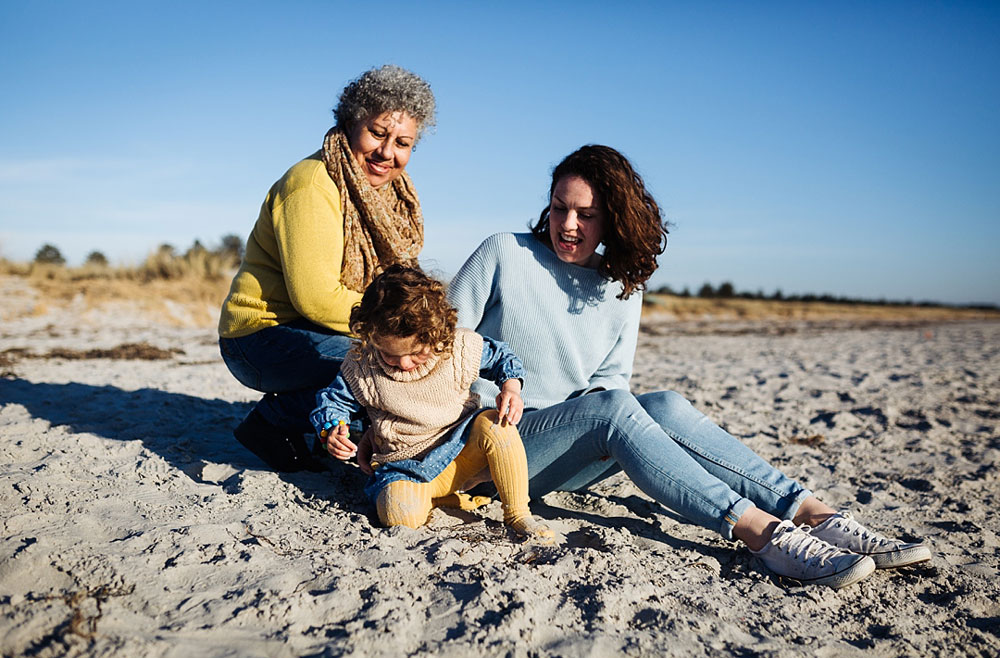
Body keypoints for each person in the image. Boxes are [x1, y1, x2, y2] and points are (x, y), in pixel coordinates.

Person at [446, 144, 931, 587]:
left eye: (585, 214)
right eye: (559, 208)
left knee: (666, 406)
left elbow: (608, 384)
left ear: (612, 219)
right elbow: (438, 346)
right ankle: (763, 535)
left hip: (563, 454)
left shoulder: (619, 287)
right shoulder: (504, 252)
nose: (567, 224)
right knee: (615, 409)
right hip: (489, 451)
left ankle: (812, 514)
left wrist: (610, 434)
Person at [218, 65, 435, 472]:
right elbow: (316, 298)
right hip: (260, 337)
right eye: (377, 133)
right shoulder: (312, 184)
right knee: (386, 371)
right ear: (350, 122)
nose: (388, 153)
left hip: (317, 331)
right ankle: (270, 422)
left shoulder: (390, 194)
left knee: (416, 365)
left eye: (403, 142)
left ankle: (316, 424)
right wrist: (398, 333)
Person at [310, 265, 553, 541]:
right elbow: (333, 401)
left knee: (497, 424)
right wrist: (332, 429)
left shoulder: (457, 347)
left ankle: (518, 514)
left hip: (461, 450)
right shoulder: (361, 365)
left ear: (435, 334)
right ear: (370, 336)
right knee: (397, 512)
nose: (403, 364)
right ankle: (442, 501)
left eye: (415, 353)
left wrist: (511, 388)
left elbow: (502, 358)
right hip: (405, 466)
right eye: (389, 354)